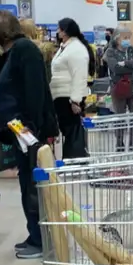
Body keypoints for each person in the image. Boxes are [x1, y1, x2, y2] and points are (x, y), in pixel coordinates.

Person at [0, 10, 60, 259]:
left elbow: (34, 92)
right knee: (28, 186)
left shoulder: (24, 51)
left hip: (30, 133)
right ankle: (35, 234)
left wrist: (29, 129)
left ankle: (41, 240)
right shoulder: (15, 52)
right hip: (22, 133)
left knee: (33, 187)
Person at [50, 17, 93, 160]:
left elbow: (79, 75)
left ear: (65, 31)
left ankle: (75, 160)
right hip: (60, 96)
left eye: (59, 29)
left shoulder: (76, 49)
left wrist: (75, 100)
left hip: (69, 97)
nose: (57, 32)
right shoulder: (66, 46)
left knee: (72, 130)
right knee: (68, 131)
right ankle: (71, 159)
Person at [105, 27, 133, 149]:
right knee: (120, 116)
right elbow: (115, 68)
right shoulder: (110, 52)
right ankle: (119, 143)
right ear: (117, 39)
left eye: (128, 37)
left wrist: (126, 64)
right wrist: (131, 66)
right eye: (124, 37)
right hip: (118, 87)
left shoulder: (132, 50)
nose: (127, 40)